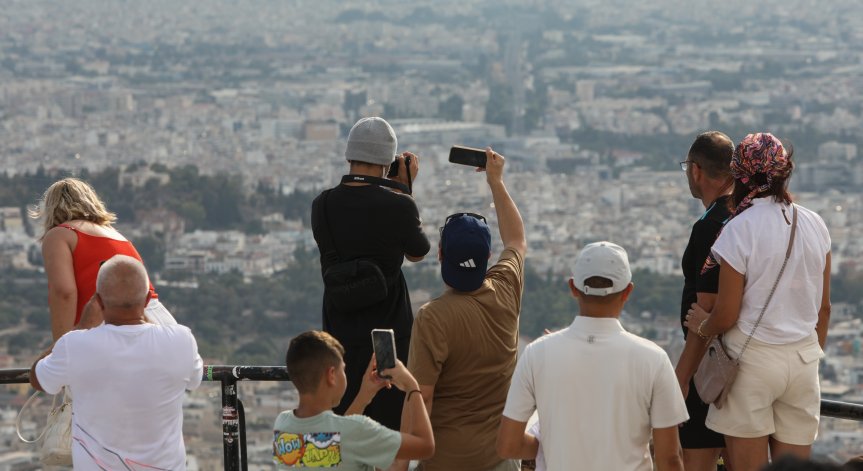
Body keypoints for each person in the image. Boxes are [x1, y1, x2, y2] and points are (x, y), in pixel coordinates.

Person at [682, 133, 832, 471]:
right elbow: (824, 309)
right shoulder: (815, 223)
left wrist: (700, 325)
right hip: (803, 360)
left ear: (741, 173)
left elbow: (726, 314)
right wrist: (809, 355)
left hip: (752, 363)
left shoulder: (739, 228)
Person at [497, 241, 688, 471]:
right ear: (628, 291)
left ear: (573, 288)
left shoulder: (537, 354)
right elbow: (669, 458)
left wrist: (551, 445)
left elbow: (508, 445)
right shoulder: (654, 359)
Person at [404, 148, 526, 471]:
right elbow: (516, 240)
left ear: (441, 255)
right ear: (488, 258)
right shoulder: (506, 290)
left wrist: (399, 466)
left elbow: (422, 399)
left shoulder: (433, 318)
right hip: (499, 459)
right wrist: (496, 182)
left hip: (446, 461)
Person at [29, 255, 203, 471]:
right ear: (148, 299)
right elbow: (195, 380)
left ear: (99, 302)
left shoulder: (76, 345)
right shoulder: (181, 341)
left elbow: (37, 378)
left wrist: (81, 326)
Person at [310, 117, 430, 430]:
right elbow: (417, 252)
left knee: (345, 422)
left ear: (350, 156)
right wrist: (404, 189)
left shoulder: (322, 205)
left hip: (339, 329)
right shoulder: (398, 205)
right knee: (388, 432)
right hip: (387, 336)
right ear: (387, 162)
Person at [31, 177, 175, 341]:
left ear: (51, 209)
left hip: (118, 325)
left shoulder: (59, 234)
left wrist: (60, 347)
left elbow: (64, 292)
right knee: (202, 368)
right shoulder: (116, 235)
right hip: (158, 319)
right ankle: (212, 369)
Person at [272, 330, 433, 469]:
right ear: (331, 375)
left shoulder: (283, 425)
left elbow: (334, 447)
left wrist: (363, 396)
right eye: (343, 369)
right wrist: (412, 386)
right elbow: (425, 446)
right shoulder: (357, 430)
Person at [675, 131, 734, 471]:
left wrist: (682, 376)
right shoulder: (745, 214)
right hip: (748, 357)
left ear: (696, 170)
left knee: (696, 457)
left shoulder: (711, 224)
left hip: (710, 364)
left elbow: (705, 310)